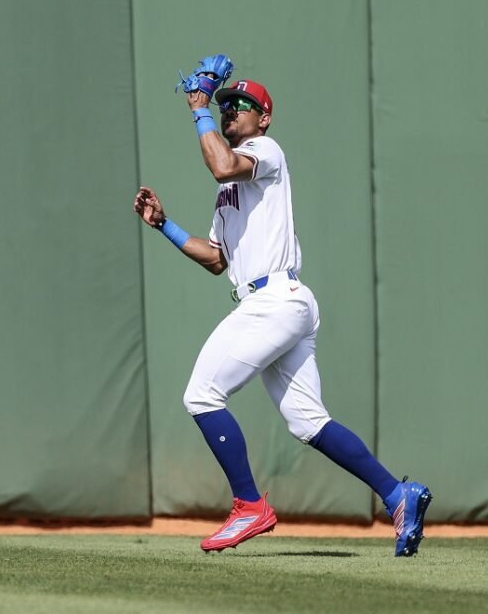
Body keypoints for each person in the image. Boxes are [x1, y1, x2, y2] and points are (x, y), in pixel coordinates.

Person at [133, 78, 432, 556]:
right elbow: (215, 258)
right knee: (307, 421)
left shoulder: (264, 150)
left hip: (274, 300)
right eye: (225, 104)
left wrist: (199, 108)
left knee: (201, 395)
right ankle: (399, 495)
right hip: (277, 301)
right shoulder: (231, 193)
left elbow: (222, 165)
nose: (230, 111)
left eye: (241, 105)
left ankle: (250, 504)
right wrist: (165, 225)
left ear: (263, 117)